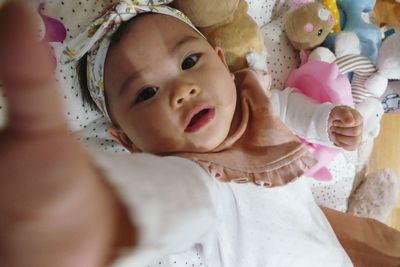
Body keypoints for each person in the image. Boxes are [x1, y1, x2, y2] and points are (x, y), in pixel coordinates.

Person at [1, 1, 399, 267]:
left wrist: (327, 122)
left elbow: (288, 106)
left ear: (224, 64)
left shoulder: (257, 110)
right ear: (126, 141)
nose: (182, 90)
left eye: (190, 60)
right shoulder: (187, 179)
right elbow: (170, 208)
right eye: (146, 93)